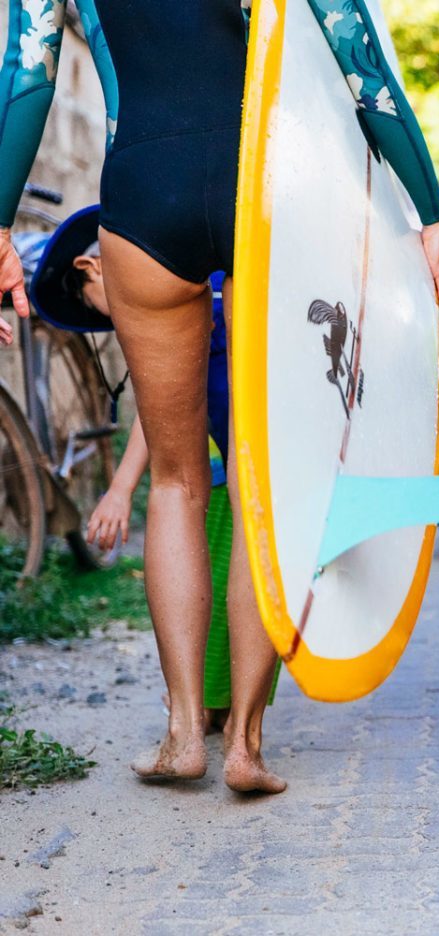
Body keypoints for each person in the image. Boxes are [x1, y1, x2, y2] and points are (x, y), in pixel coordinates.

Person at [0, 0, 439, 794]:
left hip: (143, 193)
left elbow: (27, 74)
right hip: (267, 184)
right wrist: (431, 209)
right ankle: (244, 743)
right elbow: (361, 64)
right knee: (258, 484)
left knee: (175, 481)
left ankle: (182, 735)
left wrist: (0, 224)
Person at [31, 216, 281, 730]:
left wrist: (121, 490)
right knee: (248, 570)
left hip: (242, 461)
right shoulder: (206, 279)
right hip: (243, 460)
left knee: (236, 570)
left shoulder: (188, 293)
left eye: (88, 305)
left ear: (91, 267)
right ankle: (234, 718)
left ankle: (225, 714)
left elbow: (158, 407)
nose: (107, 319)